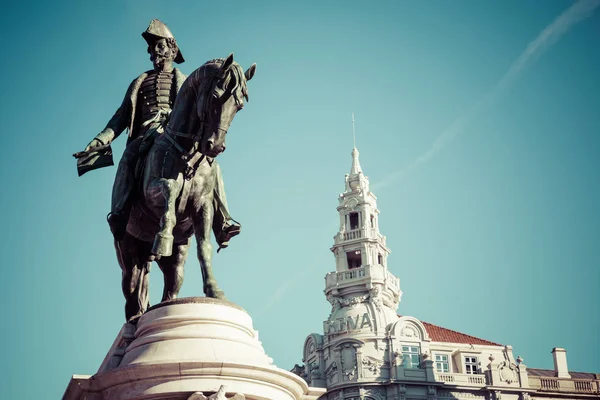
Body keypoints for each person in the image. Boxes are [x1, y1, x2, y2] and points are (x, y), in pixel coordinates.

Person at [81, 19, 240, 248]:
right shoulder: (140, 81)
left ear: (172, 48)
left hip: (177, 136)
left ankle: (222, 220)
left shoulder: (185, 80)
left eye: (159, 46)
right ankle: (120, 211)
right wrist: (101, 138)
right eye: (151, 48)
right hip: (146, 135)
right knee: (129, 156)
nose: (153, 52)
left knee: (211, 165)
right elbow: (121, 116)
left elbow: (198, 114)